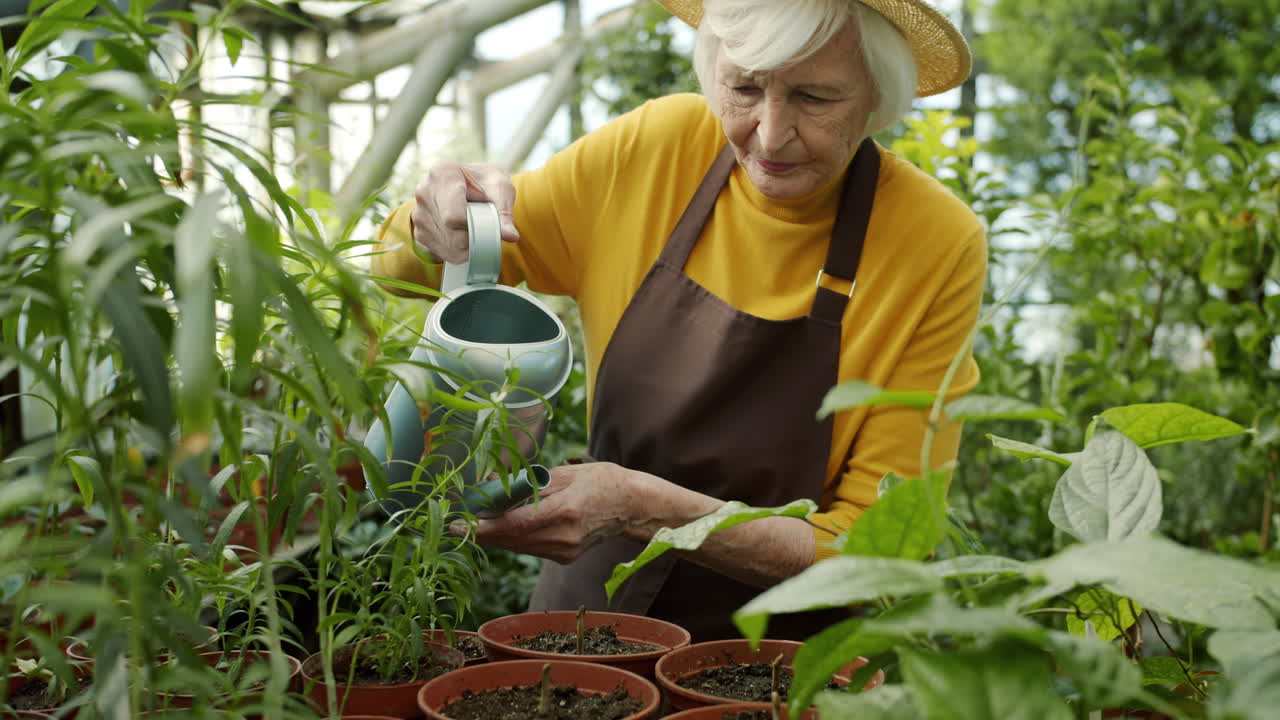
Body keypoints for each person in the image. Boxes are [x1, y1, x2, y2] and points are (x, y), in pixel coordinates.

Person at [371, 0, 986, 641]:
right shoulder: (655, 151)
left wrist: (644, 508)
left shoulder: (933, 241)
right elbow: (402, 273)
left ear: (875, 98)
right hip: (585, 625)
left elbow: (882, 550)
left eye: (814, 97)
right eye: (745, 88)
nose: (769, 135)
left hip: (777, 660)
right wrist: (433, 224)